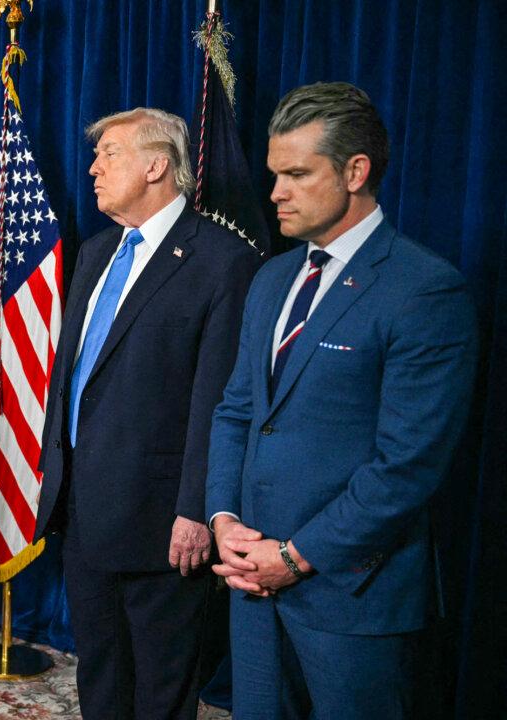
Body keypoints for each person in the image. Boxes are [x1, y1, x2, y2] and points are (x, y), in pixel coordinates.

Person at [206, 82, 479, 718]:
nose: (275, 192)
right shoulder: (272, 279)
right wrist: (223, 520)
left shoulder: (424, 290)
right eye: (275, 175)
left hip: (352, 598)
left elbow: (407, 466)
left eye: (296, 174)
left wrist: (296, 558)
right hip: (251, 586)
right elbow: (238, 411)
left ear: (356, 172)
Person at [33, 108, 260, 719]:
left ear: (157, 164)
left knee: (161, 690)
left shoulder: (222, 260)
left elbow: (216, 399)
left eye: (109, 154)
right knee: (99, 674)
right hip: (83, 508)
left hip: (163, 522)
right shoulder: (97, 252)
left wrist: (196, 509)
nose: (92, 168)